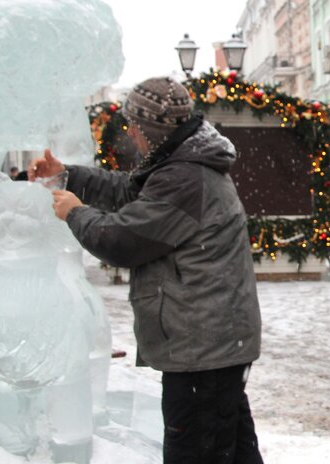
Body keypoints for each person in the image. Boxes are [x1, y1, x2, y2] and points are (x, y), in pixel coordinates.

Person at [30, 77, 264, 463]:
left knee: (195, 453)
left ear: (152, 130)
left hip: (203, 348)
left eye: (134, 127)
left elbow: (123, 240)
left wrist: (75, 212)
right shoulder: (182, 165)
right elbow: (129, 193)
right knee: (230, 448)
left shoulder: (185, 176)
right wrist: (68, 174)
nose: (131, 134)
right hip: (214, 344)